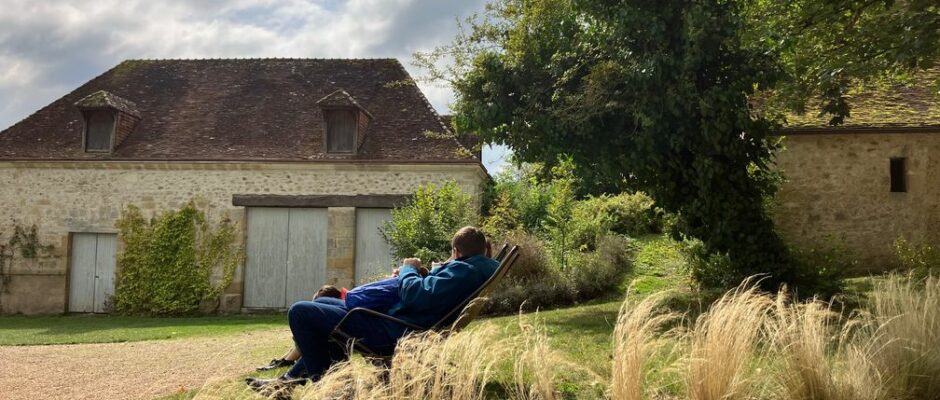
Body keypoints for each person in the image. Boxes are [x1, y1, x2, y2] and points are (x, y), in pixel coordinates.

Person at [247, 226, 499, 394]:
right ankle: (293, 381)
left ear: (456, 252)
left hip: (392, 330)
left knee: (300, 311)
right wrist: (423, 273)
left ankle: (331, 388)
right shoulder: (472, 269)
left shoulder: (464, 271)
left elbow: (417, 296)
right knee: (323, 305)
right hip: (397, 322)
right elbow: (431, 292)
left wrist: (409, 269)